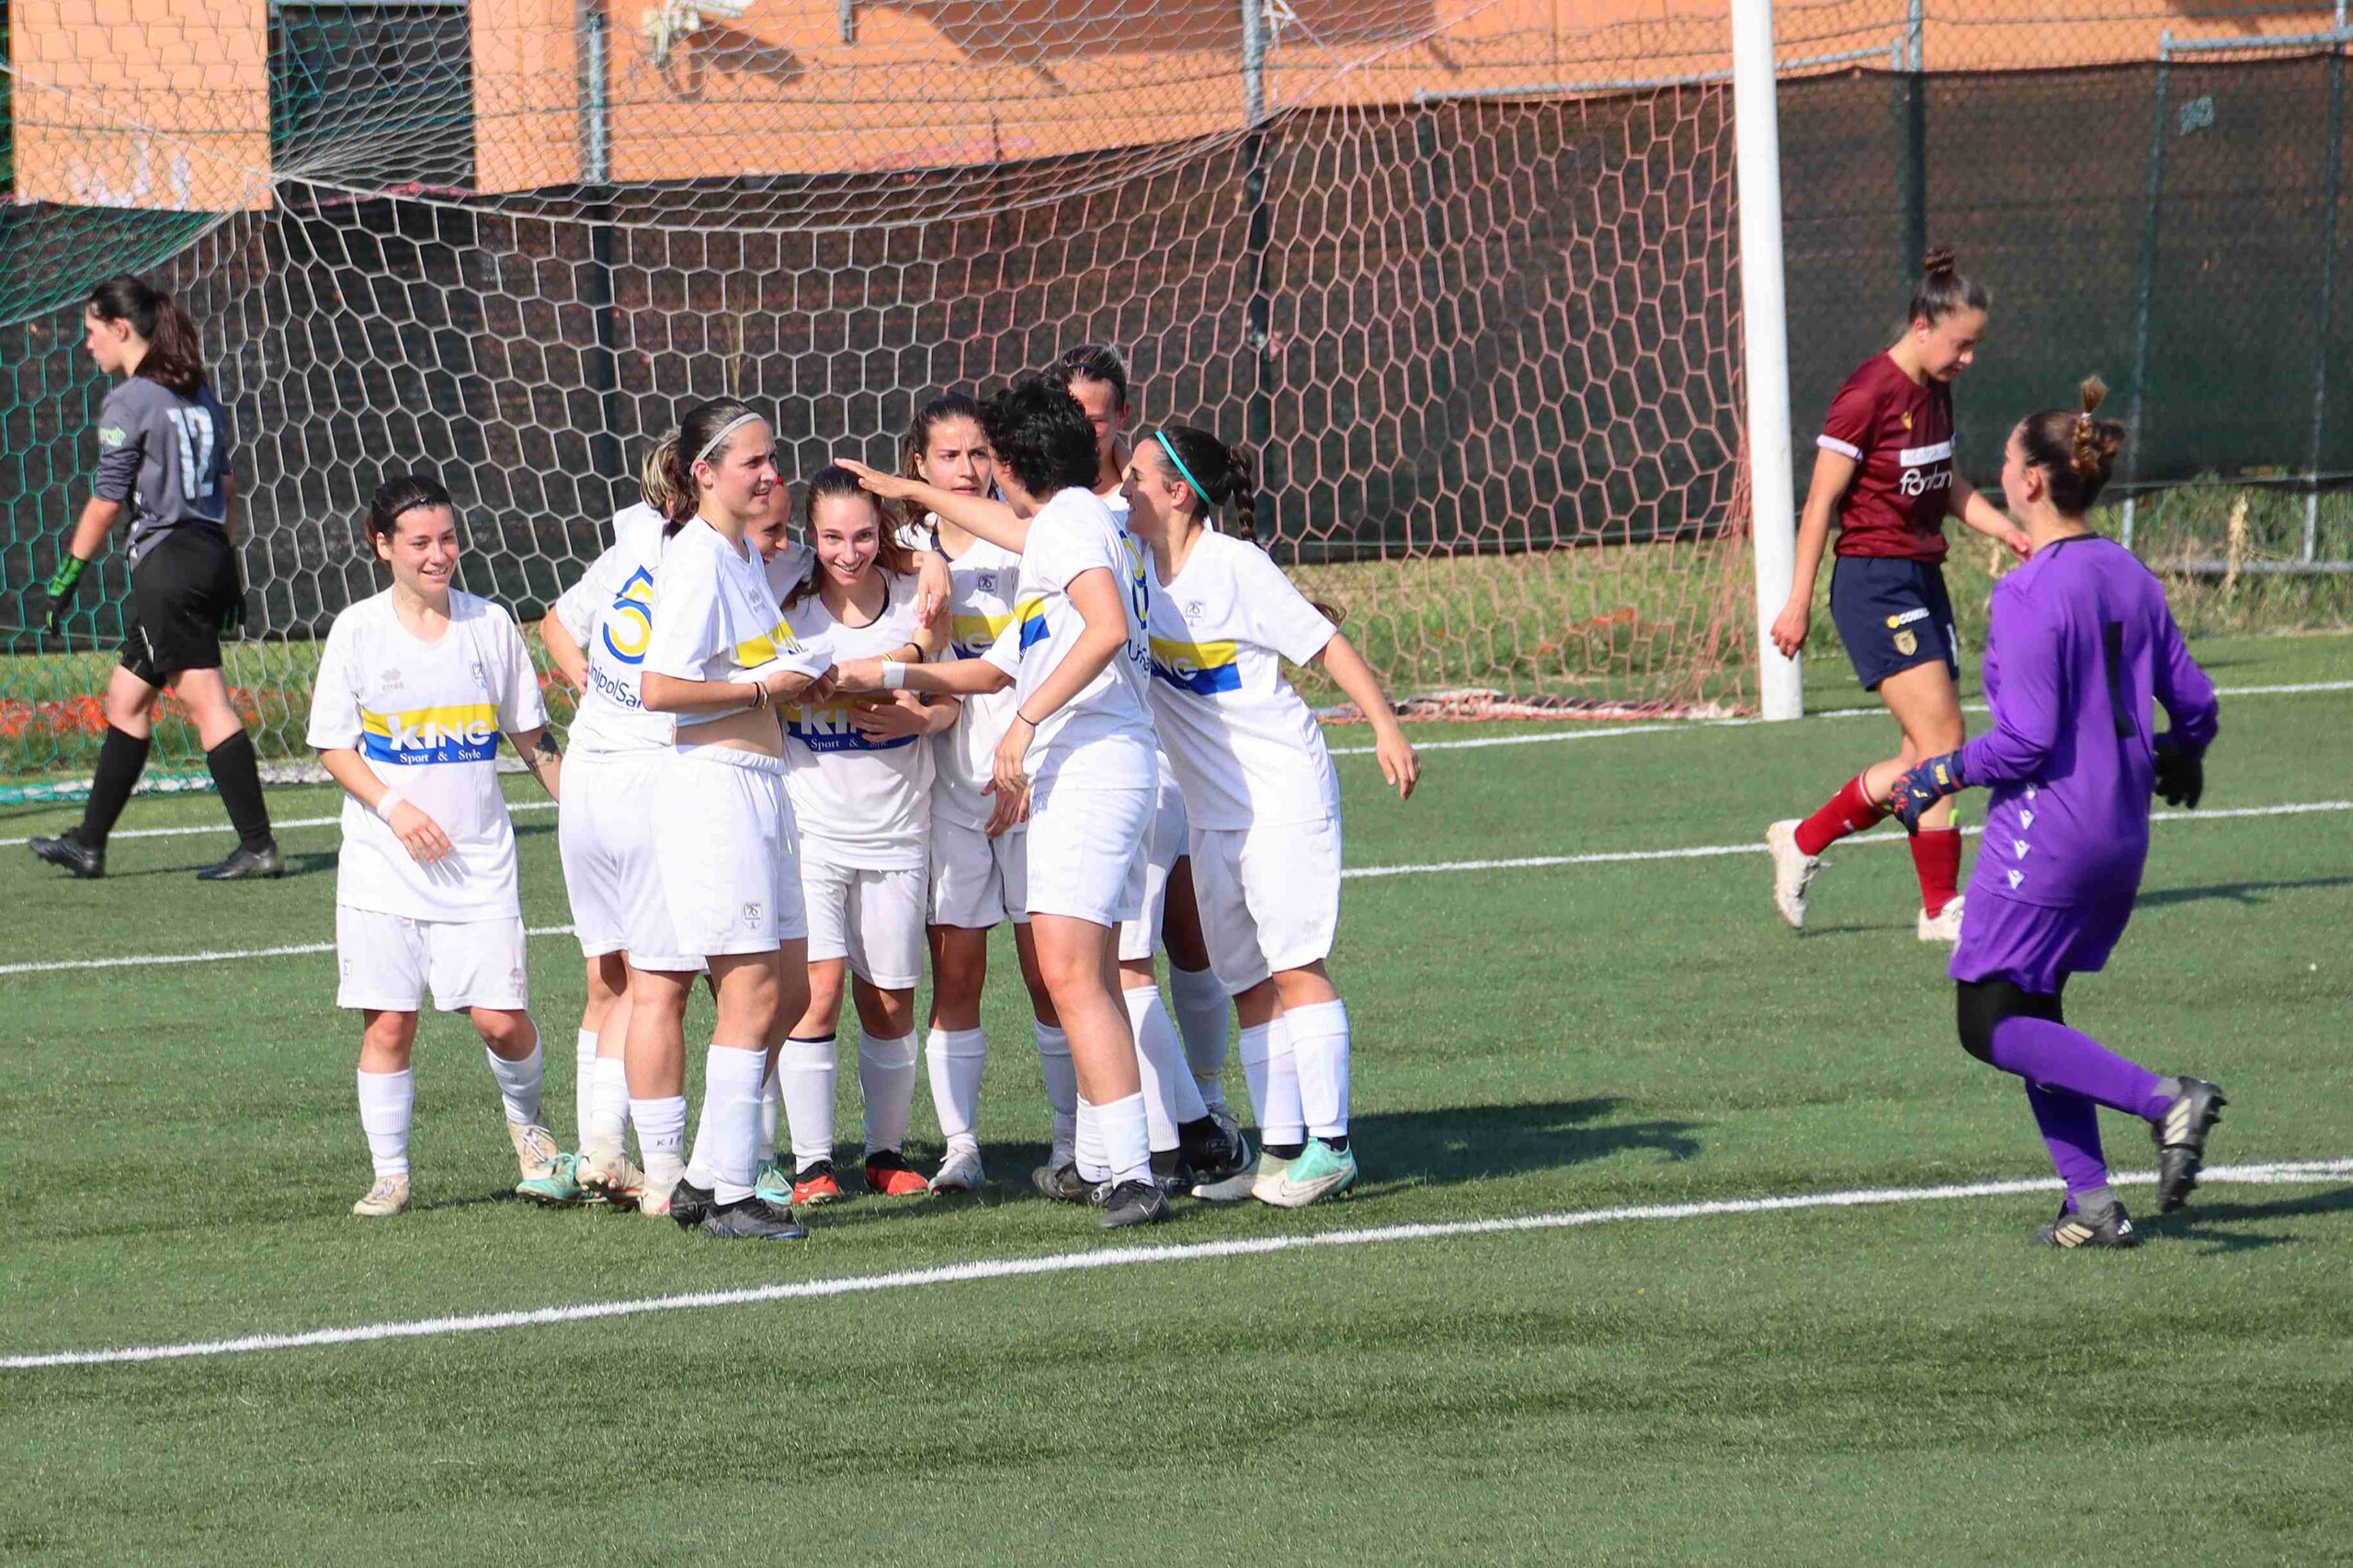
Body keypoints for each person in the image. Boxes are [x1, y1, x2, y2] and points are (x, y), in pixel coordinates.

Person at [1880, 379, 2224, 1248]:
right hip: (2119, 836)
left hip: (2049, 834)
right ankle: (2092, 1203)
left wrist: (1939, 773)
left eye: (2004, 459)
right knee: (2036, 1013)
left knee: (1987, 1023)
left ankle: (2165, 1102)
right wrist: (2182, 751)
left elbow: (2027, 742)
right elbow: (2195, 702)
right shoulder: (2129, 575)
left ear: (2033, 482)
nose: (1997, 471)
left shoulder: (2031, 593)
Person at [833, 375, 1170, 1228]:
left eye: (989, 452)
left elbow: (1106, 628)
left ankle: (1130, 1169)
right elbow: (1002, 595)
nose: (979, 471)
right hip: (1093, 763)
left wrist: (1021, 723)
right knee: (1081, 971)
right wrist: (908, 495)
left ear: (1013, 461)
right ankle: (1100, 1158)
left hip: (1090, 768)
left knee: (1067, 973)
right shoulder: (1071, 520)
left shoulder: (1069, 528)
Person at [1121, 425, 1419, 1204]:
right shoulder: (1134, 570)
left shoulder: (1235, 567)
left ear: (1177, 492)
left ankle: (1333, 1147)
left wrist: (1386, 726)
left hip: (1282, 796)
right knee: (1247, 981)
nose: (1122, 487)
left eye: (1136, 475)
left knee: (1296, 968)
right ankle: (1281, 1155)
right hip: (1216, 814)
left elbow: (1325, 646)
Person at [307, 475, 566, 1218]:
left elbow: (532, 738)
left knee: (499, 1018)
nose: (438, 554)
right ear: (381, 545)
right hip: (383, 867)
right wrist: (394, 807)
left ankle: (530, 1132)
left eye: (447, 538)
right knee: (390, 1021)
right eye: (420, 542)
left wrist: (581, 810)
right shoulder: (357, 630)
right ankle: (390, 1174)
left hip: (479, 864)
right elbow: (332, 745)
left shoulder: (490, 626)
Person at [1765, 248, 2034, 941]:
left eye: (1974, 345)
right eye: (1961, 343)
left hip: (1921, 577)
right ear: (1922, 325)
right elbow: (1820, 504)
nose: (1968, 358)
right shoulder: (1866, 395)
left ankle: (1804, 838)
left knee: (1922, 757)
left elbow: (1943, 484)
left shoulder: (1935, 391)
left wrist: (2008, 531)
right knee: (1945, 738)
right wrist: (1797, 601)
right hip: (1873, 583)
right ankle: (1941, 908)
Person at [634, 397, 833, 1242]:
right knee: (750, 997)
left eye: (772, 458)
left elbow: (758, 669)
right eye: (752, 461)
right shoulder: (695, 561)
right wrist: (764, 690)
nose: (770, 473)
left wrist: (802, 678)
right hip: (716, 789)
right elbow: (660, 689)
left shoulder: (743, 557)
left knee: (788, 989)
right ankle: (730, 1195)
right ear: (704, 472)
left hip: (763, 783)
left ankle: (713, 1173)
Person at [1051, 347, 1246, 1192]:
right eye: (1073, 413)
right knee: (1114, 964)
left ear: (1120, 416)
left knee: (1159, 952)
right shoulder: (1064, 506)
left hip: (1150, 761)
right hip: (1105, 760)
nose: (1085, 427)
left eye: (1097, 413)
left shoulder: (1142, 499)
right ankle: (1161, 1135)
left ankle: (1190, 1121)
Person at [29, 274, 280, 881]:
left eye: (92, 333)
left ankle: (259, 846)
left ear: (121, 329)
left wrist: (66, 579)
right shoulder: (199, 395)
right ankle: (89, 843)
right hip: (206, 557)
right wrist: (232, 572)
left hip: (168, 567)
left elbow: (107, 502)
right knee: (127, 697)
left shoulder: (132, 399)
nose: (87, 345)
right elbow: (224, 488)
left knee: (207, 702)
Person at [886, 394, 1062, 1195]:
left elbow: (1045, 660)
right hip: (945, 793)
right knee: (956, 975)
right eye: (949, 456)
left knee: (1049, 972)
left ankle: (1070, 1138)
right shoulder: (896, 546)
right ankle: (961, 1146)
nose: (967, 467)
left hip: (1033, 781)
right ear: (918, 466)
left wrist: (1024, 754)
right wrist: (919, 560)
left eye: (978, 453)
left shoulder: (1030, 540)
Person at [766, 468, 950, 1206]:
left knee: (891, 998)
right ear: (813, 535)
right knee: (818, 992)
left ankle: (884, 1153)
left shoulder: (919, 597)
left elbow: (948, 702)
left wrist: (920, 719)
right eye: (834, 536)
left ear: (885, 533)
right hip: (812, 829)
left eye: (865, 535)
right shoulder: (785, 602)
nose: (849, 552)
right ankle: (813, 1164)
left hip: (901, 827)